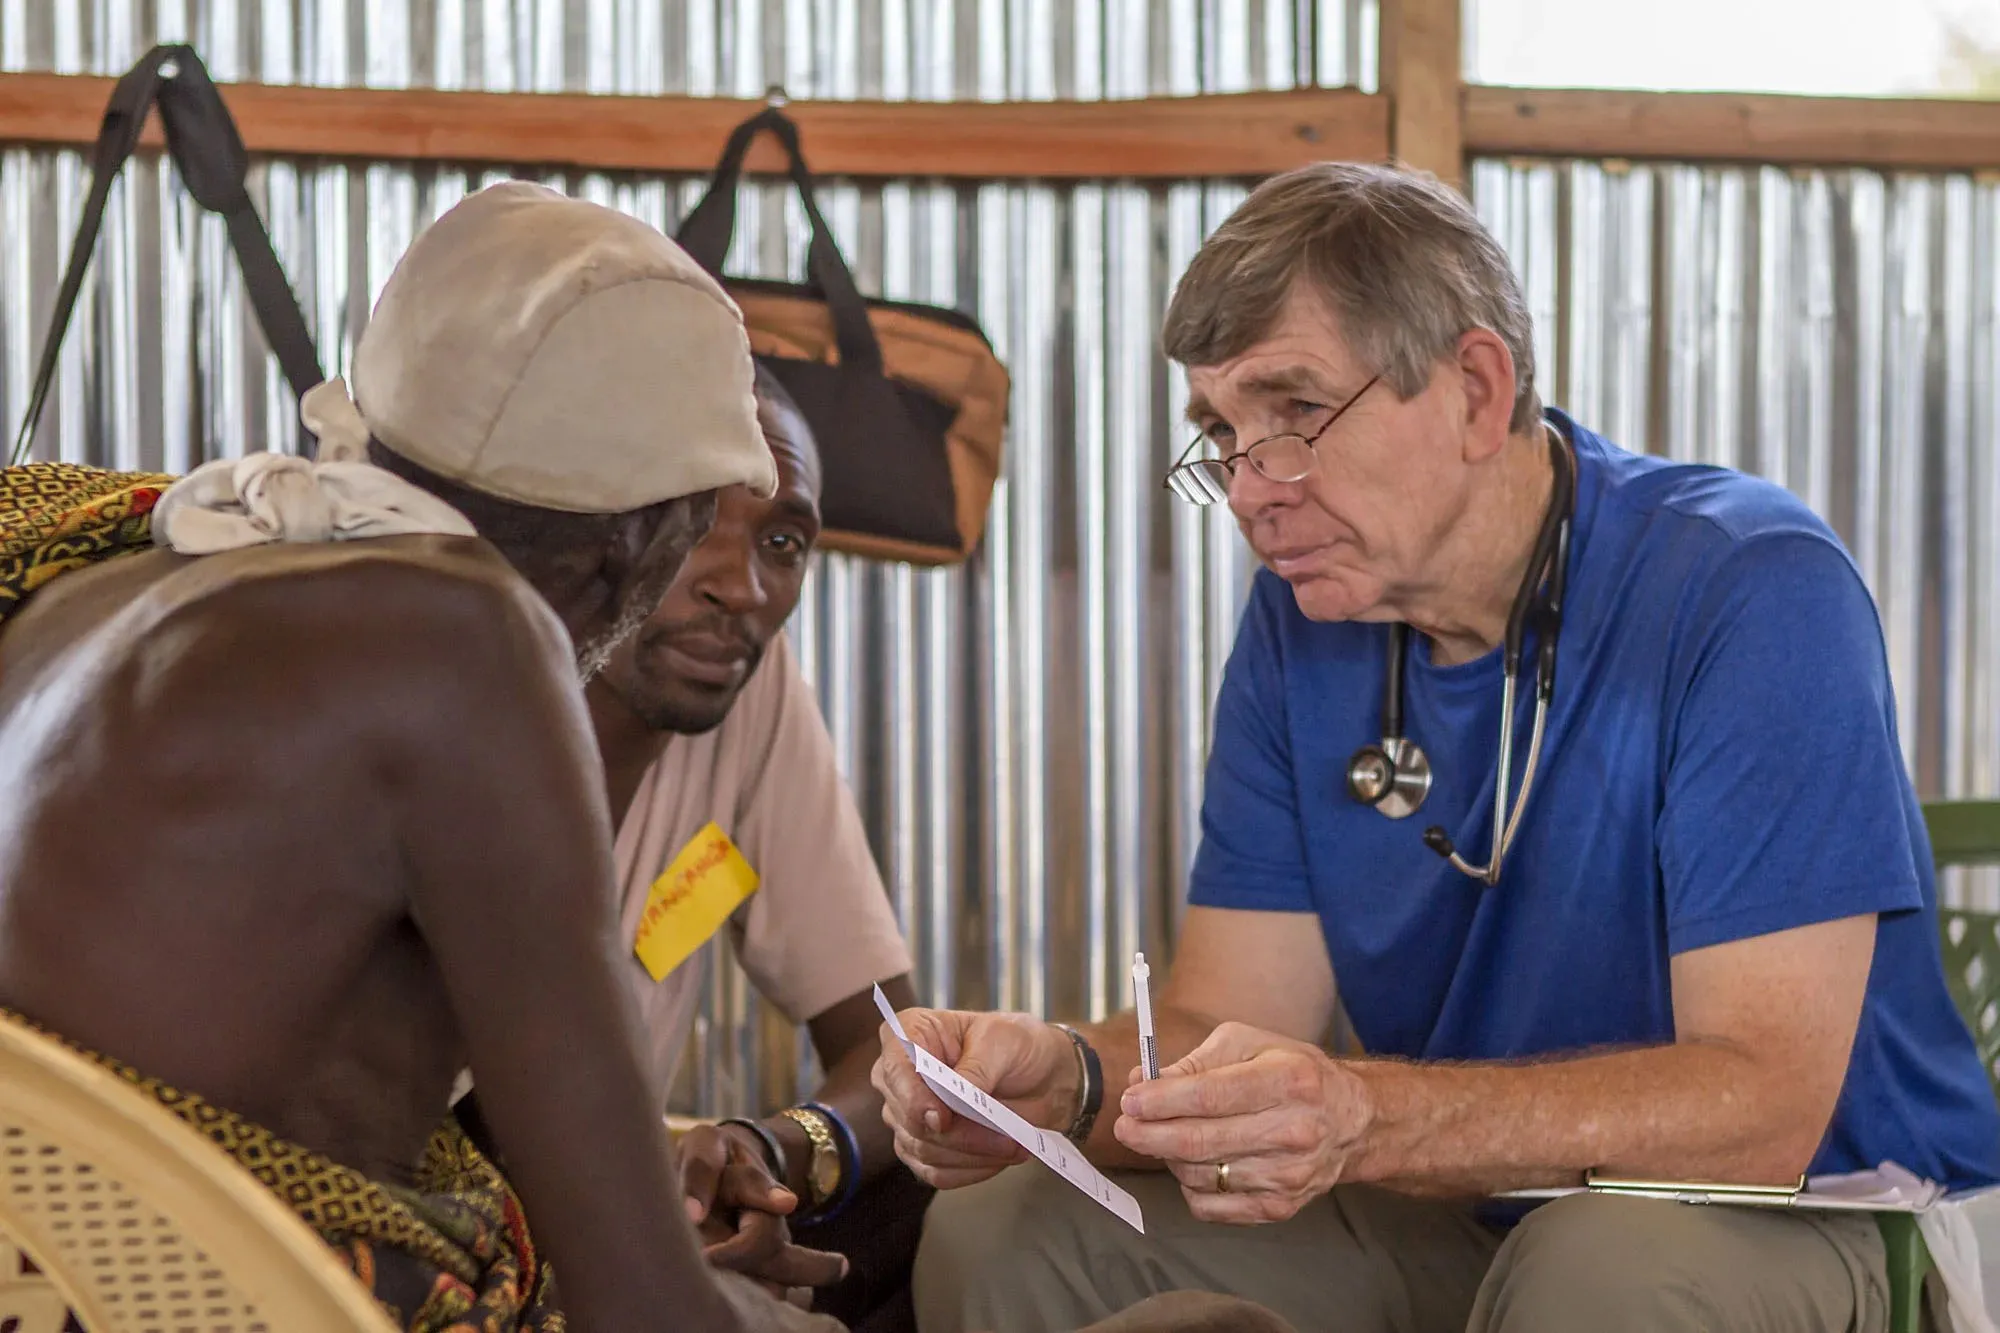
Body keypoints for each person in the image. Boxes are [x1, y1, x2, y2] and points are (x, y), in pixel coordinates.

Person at [876, 162, 2000, 1333]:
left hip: (1826, 1217)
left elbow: (1761, 1107)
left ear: (1472, 390)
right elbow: (1223, 1016)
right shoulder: (1304, 625)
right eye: (1222, 431)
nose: (1251, 489)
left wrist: (1364, 1114)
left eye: (1293, 413)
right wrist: (1070, 1082)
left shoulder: (1746, 585)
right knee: (1010, 1229)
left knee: (1598, 1269)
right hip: (1487, 1209)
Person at [0, 180, 843, 1332]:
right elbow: (643, 1307)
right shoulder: (465, 643)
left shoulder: (126, 565)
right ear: (643, 538)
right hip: (242, 1295)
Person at [458, 361, 927, 1330]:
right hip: (448, 1205)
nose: (739, 586)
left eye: (783, 540)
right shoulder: (450, 685)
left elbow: (896, 1050)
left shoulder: (743, 687)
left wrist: (772, 1154)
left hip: (619, 1200)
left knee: (928, 1186)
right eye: (687, 523)